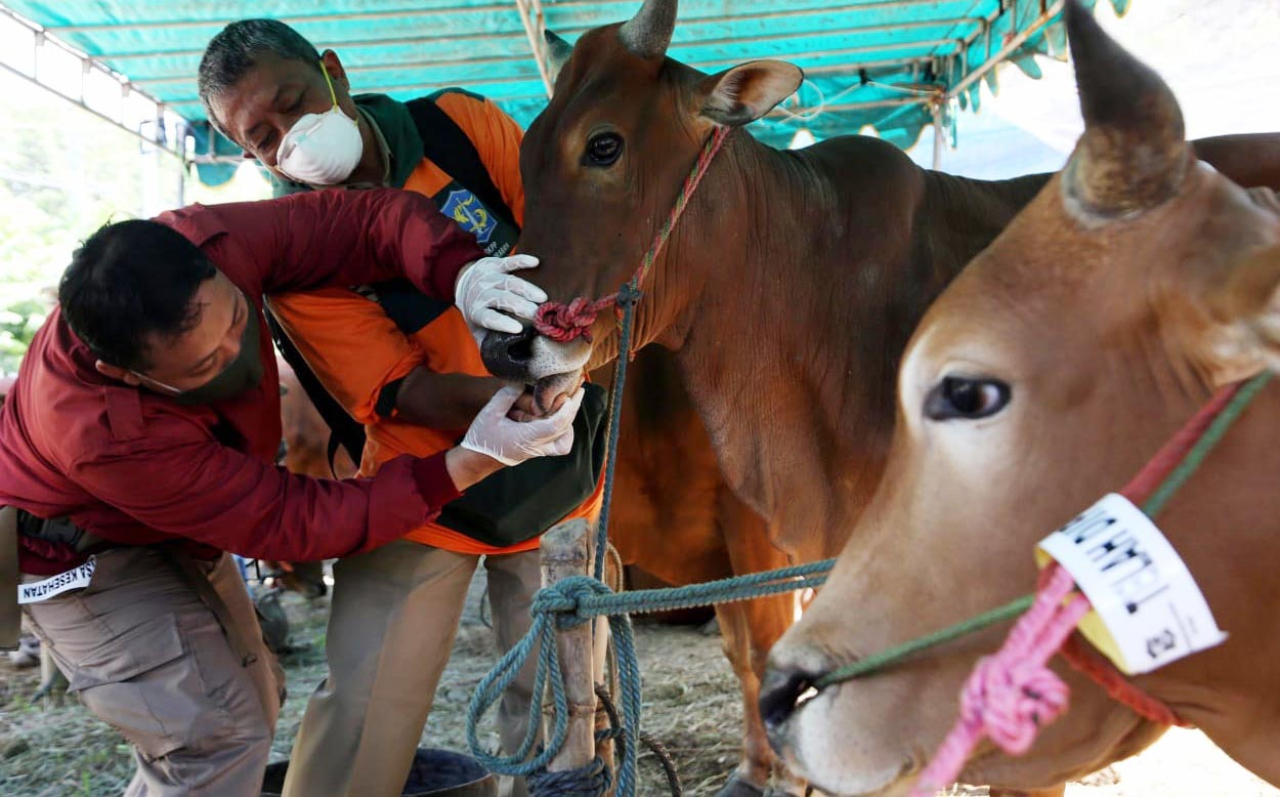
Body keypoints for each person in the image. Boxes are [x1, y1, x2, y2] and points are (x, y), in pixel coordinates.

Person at [0, 187, 584, 797]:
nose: (232, 357)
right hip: (79, 556)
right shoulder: (103, 434)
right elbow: (289, 520)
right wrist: (465, 463)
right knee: (211, 736)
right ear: (126, 375)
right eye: (202, 368)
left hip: (182, 524)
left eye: (234, 320)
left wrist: (462, 272)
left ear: (214, 266)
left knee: (253, 698)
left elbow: (361, 223)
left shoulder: (208, 240)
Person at [198, 20, 607, 797]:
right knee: (365, 708)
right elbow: (402, 390)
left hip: (561, 466)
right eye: (265, 139)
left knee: (562, 688)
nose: (294, 139)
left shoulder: (457, 124)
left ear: (333, 70)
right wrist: (516, 408)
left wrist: (566, 385)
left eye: (293, 103)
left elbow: (567, 241)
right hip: (426, 486)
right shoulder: (295, 262)